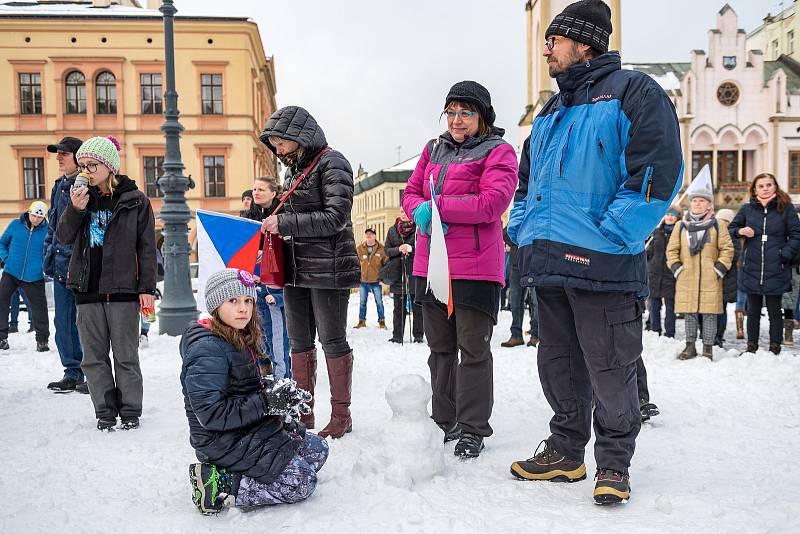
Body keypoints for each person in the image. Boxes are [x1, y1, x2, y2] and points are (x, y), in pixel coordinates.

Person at [506, 0, 683, 505]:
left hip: (604, 261)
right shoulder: (552, 109)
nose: (546, 51)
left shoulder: (634, 92)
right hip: (548, 259)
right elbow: (526, 182)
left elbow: (657, 169)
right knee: (558, 362)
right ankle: (566, 451)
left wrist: (615, 233)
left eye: (554, 41)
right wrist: (522, 230)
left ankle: (614, 465)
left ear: (583, 44)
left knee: (611, 367)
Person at [402, 80, 518, 459]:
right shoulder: (432, 149)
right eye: (451, 112)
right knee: (439, 348)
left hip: (475, 268)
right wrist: (417, 208)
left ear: (482, 117)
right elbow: (411, 192)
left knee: (473, 348)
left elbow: (491, 203)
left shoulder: (499, 151)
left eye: (465, 113)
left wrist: (437, 208)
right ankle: (444, 417)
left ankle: (472, 427)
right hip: (430, 263)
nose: (456, 120)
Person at [180, 268, 326, 515]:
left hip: (247, 426)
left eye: (248, 300)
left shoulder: (237, 335)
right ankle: (219, 485)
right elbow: (211, 415)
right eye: (233, 301)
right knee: (301, 481)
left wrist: (279, 397)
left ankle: (241, 470)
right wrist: (267, 403)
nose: (243, 308)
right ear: (216, 305)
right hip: (220, 439)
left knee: (318, 450)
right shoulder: (207, 349)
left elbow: (243, 388)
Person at [259, 106, 360, 439]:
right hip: (295, 270)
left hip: (328, 269)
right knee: (299, 343)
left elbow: (336, 217)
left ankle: (341, 416)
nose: (278, 150)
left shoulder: (334, 163)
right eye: (273, 144)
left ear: (298, 137)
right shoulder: (293, 170)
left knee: (332, 341)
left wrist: (284, 222)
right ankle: (303, 413)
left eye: (280, 143)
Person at [56, 135, 157, 431]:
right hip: (87, 290)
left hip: (123, 290)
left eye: (93, 165)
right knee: (93, 357)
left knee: (126, 355)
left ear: (110, 166)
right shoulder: (78, 196)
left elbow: (147, 248)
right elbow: (63, 237)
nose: (86, 171)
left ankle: (130, 410)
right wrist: (75, 209)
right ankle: (104, 410)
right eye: (83, 165)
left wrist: (147, 289)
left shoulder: (135, 200)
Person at [728, 172, 800, 354]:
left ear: (775, 186)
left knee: (775, 311)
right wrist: (741, 231)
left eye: (768, 185)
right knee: (752, 310)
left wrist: (785, 254)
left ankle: (775, 345)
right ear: (755, 189)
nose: (765, 188)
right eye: (761, 186)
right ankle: (751, 345)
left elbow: (796, 234)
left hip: (776, 266)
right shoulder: (747, 209)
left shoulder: (786, 208)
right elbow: (731, 229)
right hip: (752, 265)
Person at [666, 191, 733, 360]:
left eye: (701, 201)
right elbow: (672, 250)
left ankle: (708, 348)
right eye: (694, 201)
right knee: (689, 313)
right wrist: (677, 269)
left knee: (709, 313)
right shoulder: (681, 225)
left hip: (710, 277)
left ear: (709, 204)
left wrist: (718, 269)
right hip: (686, 277)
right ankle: (690, 347)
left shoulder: (718, 225)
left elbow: (727, 249)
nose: (697, 204)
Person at [43, 136, 86, 391]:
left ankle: (95, 371)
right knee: (63, 321)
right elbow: (53, 224)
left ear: (78, 157)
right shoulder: (59, 186)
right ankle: (72, 371)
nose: (58, 157)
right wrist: (48, 254)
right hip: (60, 264)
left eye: (64, 154)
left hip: (81, 265)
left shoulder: (89, 185)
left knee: (89, 322)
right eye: (57, 153)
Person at [243, 176, 291, 379]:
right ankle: (268, 375)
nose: (256, 192)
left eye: (261, 189)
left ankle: (284, 381)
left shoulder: (283, 216)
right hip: (255, 287)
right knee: (260, 337)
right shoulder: (247, 219)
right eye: (254, 189)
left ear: (273, 193)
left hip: (275, 288)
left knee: (279, 340)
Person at [0, 201, 51, 352]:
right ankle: (2, 337)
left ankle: (42, 340)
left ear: (44, 217)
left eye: (39, 217)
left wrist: (44, 268)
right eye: (33, 215)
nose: (35, 219)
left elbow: (51, 251)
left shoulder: (48, 231)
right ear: (29, 212)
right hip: (11, 272)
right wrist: (6, 259)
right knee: (1, 300)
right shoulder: (15, 225)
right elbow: (1, 243)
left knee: (39, 308)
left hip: (34, 276)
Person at [381, 209, 423, 343]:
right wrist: (399, 249)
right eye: (401, 211)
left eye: (406, 212)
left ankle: (418, 335)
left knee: (417, 307)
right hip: (397, 273)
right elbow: (387, 250)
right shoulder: (392, 230)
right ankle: (397, 336)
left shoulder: (418, 229)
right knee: (398, 308)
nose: (403, 214)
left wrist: (411, 248)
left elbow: (423, 247)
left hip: (414, 273)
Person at [646, 207, 680, 338]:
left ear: (677, 218)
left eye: (673, 215)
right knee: (654, 304)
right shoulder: (656, 232)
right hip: (654, 273)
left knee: (670, 306)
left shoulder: (679, 232)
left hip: (670, 274)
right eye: (668, 214)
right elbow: (650, 251)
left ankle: (669, 333)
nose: (670, 217)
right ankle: (655, 330)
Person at [501, 227, 538, 347]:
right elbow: (505, 233)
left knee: (535, 301)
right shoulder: (517, 213)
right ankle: (516, 335)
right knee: (515, 301)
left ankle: (536, 334)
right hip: (516, 264)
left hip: (535, 264)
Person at [714, 208, 740, 347]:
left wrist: (718, 263)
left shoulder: (733, 236)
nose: (722, 223)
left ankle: (719, 335)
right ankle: (708, 334)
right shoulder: (712, 232)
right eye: (720, 220)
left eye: (725, 221)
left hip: (726, 277)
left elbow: (734, 255)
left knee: (721, 309)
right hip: (712, 277)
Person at [354, 228, 387, 329]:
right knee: (362, 302)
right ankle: (361, 321)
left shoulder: (381, 249)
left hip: (376, 281)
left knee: (379, 302)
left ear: (375, 236)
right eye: (367, 234)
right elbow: (356, 264)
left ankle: (381, 321)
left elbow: (386, 265)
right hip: (363, 281)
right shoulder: (359, 248)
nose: (369, 236)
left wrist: (383, 279)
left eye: (371, 234)